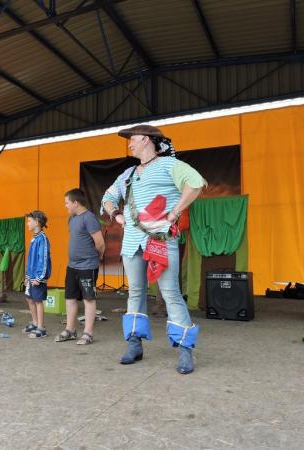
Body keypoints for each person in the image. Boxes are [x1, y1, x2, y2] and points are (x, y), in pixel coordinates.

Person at [101, 124, 206, 374]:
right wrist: (116, 214)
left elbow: (196, 183)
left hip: (160, 239)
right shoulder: (127, 174)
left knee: (171, 293)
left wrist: (176, 211)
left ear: (147, 140)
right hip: (131, 242)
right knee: (135, 293)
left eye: (133, 139)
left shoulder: (170, 165)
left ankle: (185, 349)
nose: (129, 144)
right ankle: (134, 344)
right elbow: (108, 198)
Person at [55, 189, 105, 345]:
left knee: (88, 299)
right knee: (70, 298)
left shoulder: (89, 218)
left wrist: (99, 256)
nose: (65, 205)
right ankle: (70, 330)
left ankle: (88, 333)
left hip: (87, 266)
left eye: (67, 203)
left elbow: (100, 243)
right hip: (72, 266)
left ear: (75, 203)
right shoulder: (71, 219)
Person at [23, 210, 52, 338]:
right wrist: (27, 276)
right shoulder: (34, 238)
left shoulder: (42, 239)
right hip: (31, 277)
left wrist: (39, 277)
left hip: (38, 278)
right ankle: (35, 323)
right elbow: (30, 259)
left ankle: (41, 328)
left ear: (37, 222)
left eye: (29, 221)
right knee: (29, 298)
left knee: (38, 301)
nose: (27, 223)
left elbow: (43, 259)